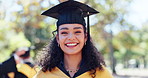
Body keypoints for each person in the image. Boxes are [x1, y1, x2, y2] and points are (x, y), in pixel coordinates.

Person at [34, 0, 113, 78]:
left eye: (77, 32)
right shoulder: (43, 75)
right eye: (64, 32)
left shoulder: (102, 75)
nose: (71, 38)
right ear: (57, 38)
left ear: (85, 37)